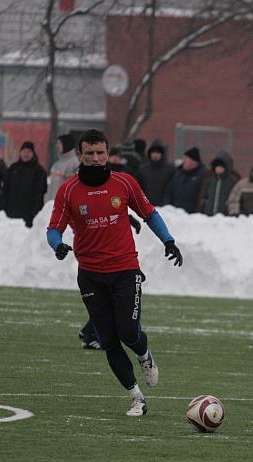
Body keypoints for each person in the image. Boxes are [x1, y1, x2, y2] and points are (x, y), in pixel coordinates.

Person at [46, 129, 184, 417]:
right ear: (80, 155)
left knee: (128, 331)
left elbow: (149, 213)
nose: (96, 158)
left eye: (100, 153)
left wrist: (168, 240)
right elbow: (53, 228)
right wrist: (57, 245)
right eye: (90, 153)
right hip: (90, 275)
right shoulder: (69, 190)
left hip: (125, 271)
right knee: (108, 340)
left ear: (107, 154)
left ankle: (145, 356)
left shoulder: (124, 182)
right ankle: (136, 398)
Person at [3, 141, 48, 227]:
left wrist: (35, 213)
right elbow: (5, 190)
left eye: (29, 152)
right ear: (20, 153)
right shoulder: (13, 168)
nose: (26, 154)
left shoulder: (39, 171)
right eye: (24, 151)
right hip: (11, 214)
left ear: (33, 153)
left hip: (29, 215)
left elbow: (39, 194)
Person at [165, 147, 208, 213]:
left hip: (192, 216)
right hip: (175, 214)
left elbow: (202, 196)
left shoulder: (203, 175)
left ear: (193, 161)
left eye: (186, 159)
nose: (183, 161)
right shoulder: (178, 174)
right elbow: (169, 192)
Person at [138, 139, 175, 206]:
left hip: (164, 207)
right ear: (150, 153)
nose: (155, 155)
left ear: (162, 154)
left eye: (158, 152)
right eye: (153, 152)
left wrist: (165, 203)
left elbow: (170, 189)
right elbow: (140, 189)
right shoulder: (143, 169)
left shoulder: (170, 169)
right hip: (146, 206)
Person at [47, 133, 79, 203]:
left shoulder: (74, 162)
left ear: (66, 144)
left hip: (64, 204)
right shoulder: (56, 164)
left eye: (59, 143)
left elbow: (77, 182)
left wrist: (65, 175)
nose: (57, 146)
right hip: (51, 204)